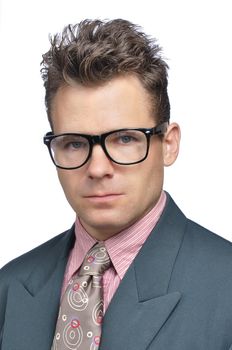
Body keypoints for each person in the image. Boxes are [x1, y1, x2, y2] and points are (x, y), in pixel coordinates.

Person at [0, 18, 232, 350]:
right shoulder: (9, 285)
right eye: (75, 143)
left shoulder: (227, 285)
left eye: (124, 139)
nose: (97, 168)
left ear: (168, 143)